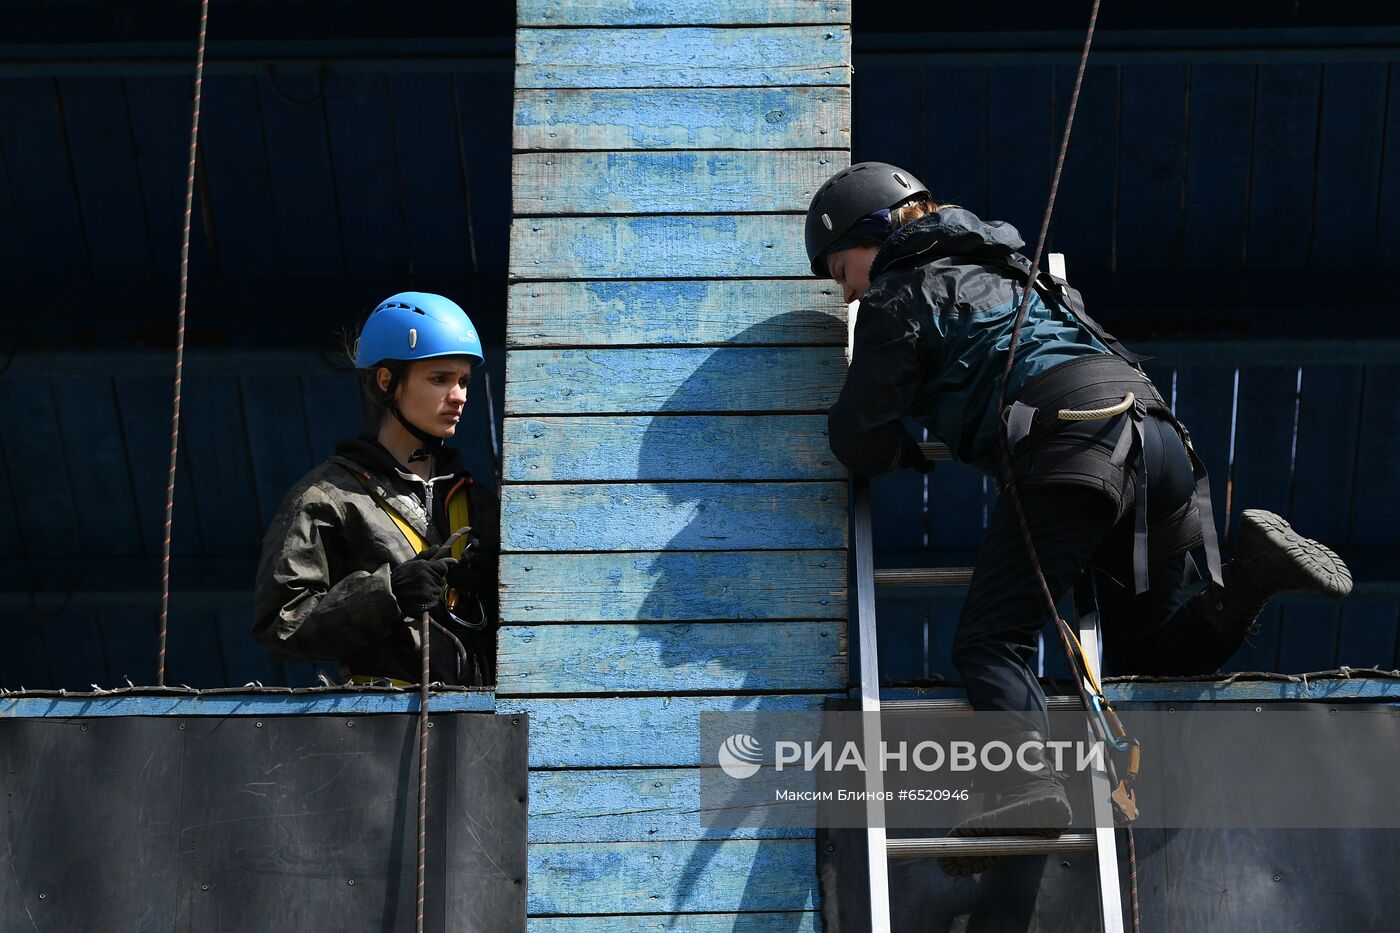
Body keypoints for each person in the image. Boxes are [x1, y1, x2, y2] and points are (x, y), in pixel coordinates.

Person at [807, 162, 1353, 873]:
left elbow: (855, 435)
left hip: (1075, 440)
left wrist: (906, 449)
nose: (846, 289)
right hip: (1161, 444)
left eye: (841, 268)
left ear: (875, 232)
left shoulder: (901, 295)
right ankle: (1248, 578)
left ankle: (1023, 783)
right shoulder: (1022, 272)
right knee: (1144, 658)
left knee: (989, 640)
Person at [253, 292, 499, 687]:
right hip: (383, 731)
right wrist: (388, 594)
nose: (459, 396)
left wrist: (503, 589)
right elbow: (280, 623)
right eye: (440, 379)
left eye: (464, 381)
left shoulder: (482, 504)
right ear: (387, 381)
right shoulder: (327, 497)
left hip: (482, 725)